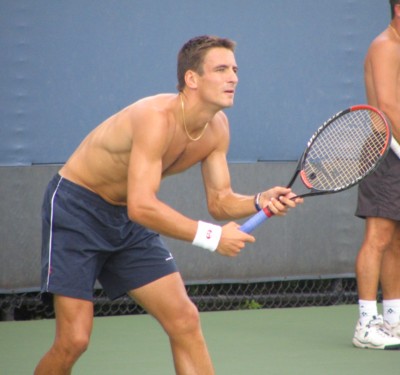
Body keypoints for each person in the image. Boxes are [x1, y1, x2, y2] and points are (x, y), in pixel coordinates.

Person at [34, 35, 302, 374]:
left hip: (125, 219)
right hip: (77, 209)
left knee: (185, 320)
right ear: (192, 78)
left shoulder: (217, 128)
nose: (233, 77)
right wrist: (213, 238)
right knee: (74, 339)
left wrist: (259, 200)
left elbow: (219, 201)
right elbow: (142, 207)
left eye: (234, 69)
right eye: (220, 69)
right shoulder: (155, 118)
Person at [352, 1, 400, 350]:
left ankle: (394, 319)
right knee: (378, 237)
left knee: (396, 241)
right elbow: (388, 106)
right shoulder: (386, 46)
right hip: (386, 153)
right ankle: (366, 323)